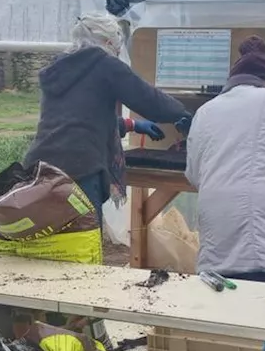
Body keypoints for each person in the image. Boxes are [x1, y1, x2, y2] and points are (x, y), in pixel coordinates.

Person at [23, 13, 190, 218]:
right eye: (118, 47)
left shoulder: (59, 68)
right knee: (83, 239)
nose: (118, 52)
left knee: (51, 237)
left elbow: (79, 118)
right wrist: (182, 113)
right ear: (110, 42)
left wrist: (133, 125)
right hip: (80, 168)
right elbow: (149, 100)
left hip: (40, 166)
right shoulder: (104, 63)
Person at [185, 36, 265, 284]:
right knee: (264, 303)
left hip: (214, 213)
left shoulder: (205, 110)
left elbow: (193, 174)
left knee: (222, 299)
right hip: (259, 214)